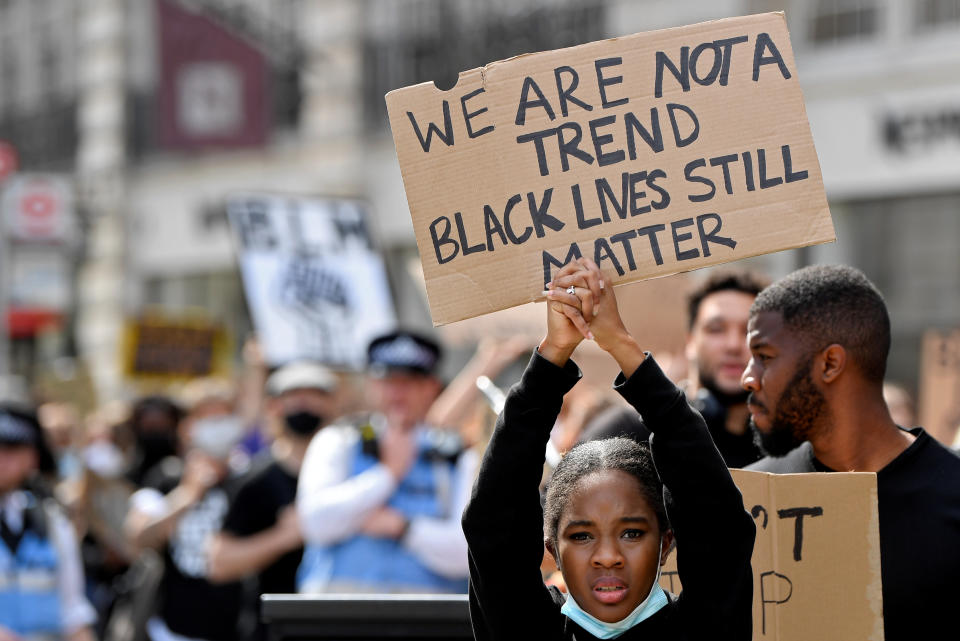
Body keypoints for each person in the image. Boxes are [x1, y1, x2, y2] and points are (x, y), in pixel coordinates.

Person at [462, 259, 755, 640]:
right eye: (581, 536)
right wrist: (553, 353)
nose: (608, 556)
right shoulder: (524, 631)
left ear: (667, 542)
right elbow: (492, 525)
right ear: (551, 547)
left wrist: (622, 346)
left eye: (632, 533)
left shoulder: (704, 630)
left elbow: (718, 523)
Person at [741, 264, 960, 641]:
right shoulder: (751, 496)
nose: (748, 376)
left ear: (830, 363)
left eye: (765, 356)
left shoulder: (953, 498)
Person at [296, 330, 476, 593]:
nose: (397, 392)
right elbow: (315, 523)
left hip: (428, 620)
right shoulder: (337, 441)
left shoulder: (458, 456)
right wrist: (388, 474)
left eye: (410, 382)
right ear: (371, 385)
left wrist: (402, 527)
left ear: (432, 387)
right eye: (388, 380)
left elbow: (467, 553)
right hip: (337, 617)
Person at [579, 270, 767, 468]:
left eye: (749, 331)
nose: (733, 345)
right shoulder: (627, 433)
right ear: (690, 342)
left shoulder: (788, 451)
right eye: (716, 329)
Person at [208, 361, 340, 640]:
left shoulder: (352, 473)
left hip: (339, 622)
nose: (304, 405)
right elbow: (219, 563)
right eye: (294, 397)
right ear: (274, 407)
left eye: (314, 395)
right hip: (275, 629)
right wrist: (284, 537)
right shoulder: (254, 481)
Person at [125, 379, 247, 641]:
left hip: (239, 627)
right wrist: (188, 495)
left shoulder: (249, 478)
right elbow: (139, 538)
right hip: (175, 629)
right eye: (207, 418)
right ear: (187, 427)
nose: (216, 427)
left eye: (223, 417)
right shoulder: (166, 477)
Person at [0, 404, 96, 641]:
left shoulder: (51, 519)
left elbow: (72, 607)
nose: (1, 459)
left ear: (31, 458)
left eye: (11, 450)